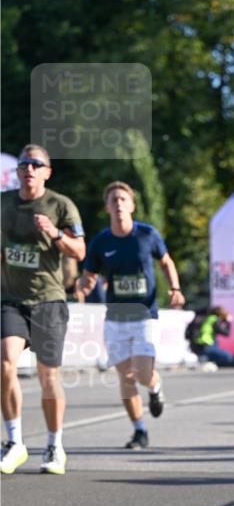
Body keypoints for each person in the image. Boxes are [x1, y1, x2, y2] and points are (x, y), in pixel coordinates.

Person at [75, 181, 184, 449]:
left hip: (145, 315)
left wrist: (175, 288)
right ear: (107, 207)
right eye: (113, 200)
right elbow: (89, 274)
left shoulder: (147, 234)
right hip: (115, 319)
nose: (119, 203)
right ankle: (139, 430)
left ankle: (155, 389)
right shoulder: (101, 241)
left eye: (123, 199)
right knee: (125, 378)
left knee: (143, 373)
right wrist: (84, 284)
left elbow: (166, 262)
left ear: (132, 205)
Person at [1, 145, 86, 475]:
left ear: (47, 171)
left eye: (36, 164)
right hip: (10, 299)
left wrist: (54, 234)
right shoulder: (4, 202)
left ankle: (54, 445)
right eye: (24, 163)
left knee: (48, 375)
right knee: (5, 363)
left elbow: (79, 249)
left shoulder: (61, 205)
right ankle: (14, 442)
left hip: (49, 300)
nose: (29, 168)